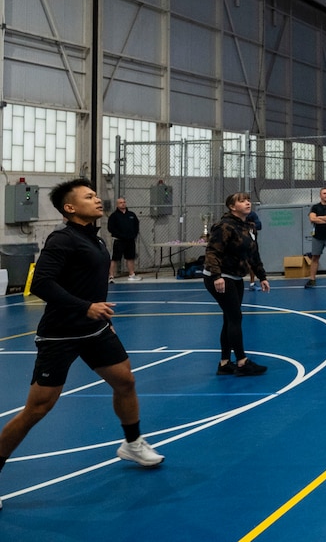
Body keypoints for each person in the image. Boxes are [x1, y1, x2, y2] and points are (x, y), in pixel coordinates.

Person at [0, 179, 163, 506]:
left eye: (95, 194)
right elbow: (41, 284)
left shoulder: (96, 240)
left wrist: (102, 317)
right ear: (70, 208)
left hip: (95, 330)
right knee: (38, 408)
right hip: (60, 334)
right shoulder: (63, 239)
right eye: (88, 196)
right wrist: (85, 307)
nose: (97, 199)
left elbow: (90, 285)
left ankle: (132, 443)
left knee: (125, 381)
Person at [203, 192, 270, 376]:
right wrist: (217, 276)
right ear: (232, 207)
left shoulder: (249, 226)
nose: (247, 203)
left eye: (248, 200)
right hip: (220, 277)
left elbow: (253, 254)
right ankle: (242, 362)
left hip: (236, 276)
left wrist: (262, 276)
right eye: (242, 201)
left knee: (229, 317)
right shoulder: (224, 226)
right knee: (235, 317)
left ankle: (224, 363)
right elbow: (212, 252)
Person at [107, 196, 141, 282]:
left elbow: (136, 226)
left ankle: (131, 274)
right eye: (121, 202)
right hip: (118, 240)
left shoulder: (131, 215)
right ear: (117, 205)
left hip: (130, 240)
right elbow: (110, 228)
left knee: (130, 257)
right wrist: (120, 235)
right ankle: (111, 276)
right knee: (114, 258)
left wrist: (133, 235)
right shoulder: (114, 216)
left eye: (124, 202)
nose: (123, 204)